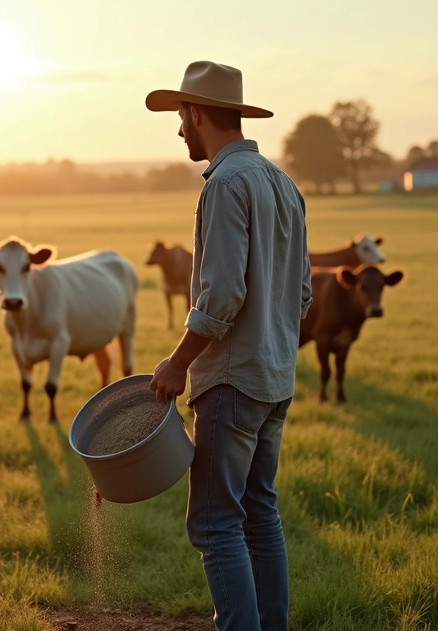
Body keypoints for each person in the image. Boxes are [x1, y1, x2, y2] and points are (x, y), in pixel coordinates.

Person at [146, 60, 312, 631]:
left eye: (180, 119)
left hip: (232, 383)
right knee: (259, 513)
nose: (179, 132)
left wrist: (177, 362)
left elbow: (219, 297)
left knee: (216, 522)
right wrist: (272, 342)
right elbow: (303, 293)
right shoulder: (283, 183)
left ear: (195, 114)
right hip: (276, 379)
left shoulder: (225, 184)